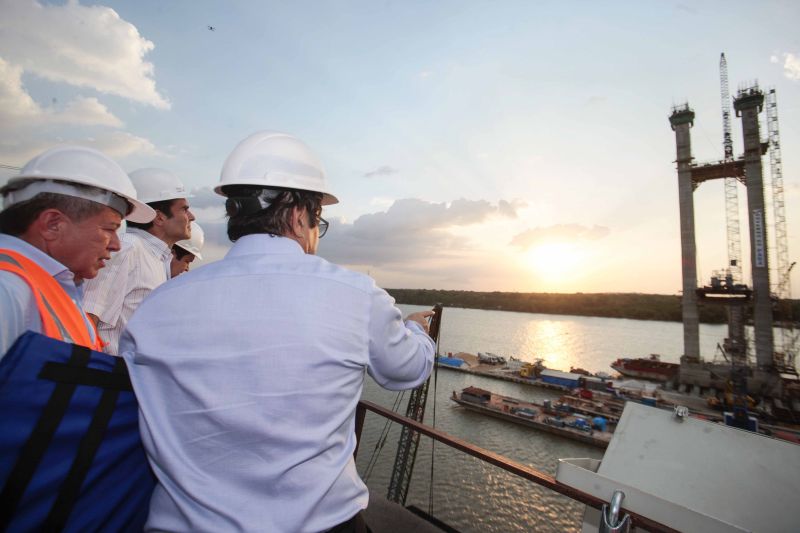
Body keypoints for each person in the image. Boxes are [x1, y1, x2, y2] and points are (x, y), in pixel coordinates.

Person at [121, 131, 435, 533]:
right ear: (298, 215)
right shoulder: (354, 294)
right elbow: (407, 370)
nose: (316, 231)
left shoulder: (159, 304)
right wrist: (416, 329)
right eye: (318, 219)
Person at [0, 145, 157, 531]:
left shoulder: (56, 288)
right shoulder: (7, 287)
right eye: (109, 229)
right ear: (52, 224)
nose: (117, 244)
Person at [83, 168, 195, 355]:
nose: (192, 217)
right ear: (159, 217)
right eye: (184, 209)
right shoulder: (128, 249)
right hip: (110, 375)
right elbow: (88, 318)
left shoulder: (156, 259)